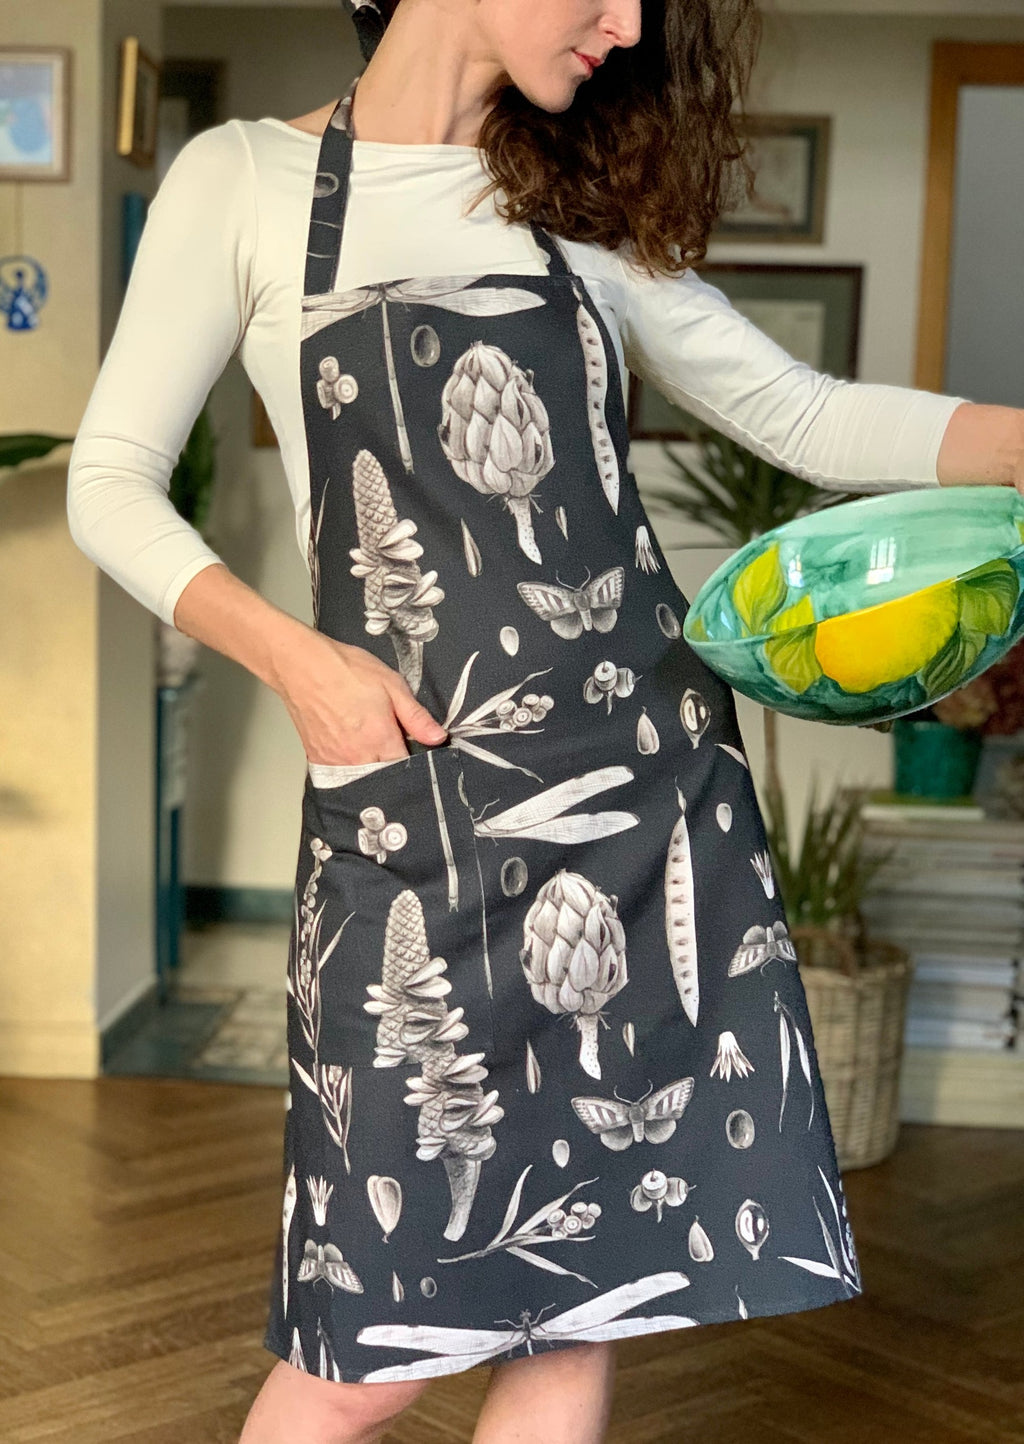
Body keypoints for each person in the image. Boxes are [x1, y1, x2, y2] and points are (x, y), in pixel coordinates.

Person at [66, 2, 1022, 1441]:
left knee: (584, 1315)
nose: (627, 25)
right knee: (368, 1347)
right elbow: (108, 481)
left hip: (646, 807)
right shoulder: (247, 180)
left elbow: (803, 414)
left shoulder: (577, 206)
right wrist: (301, 664)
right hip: (415, 818)